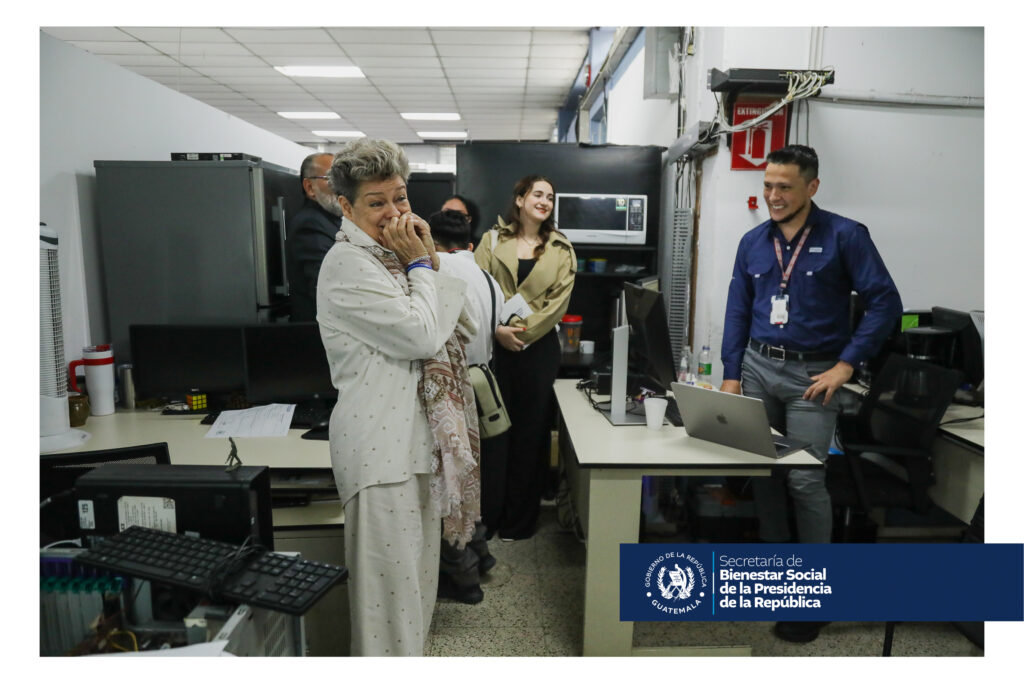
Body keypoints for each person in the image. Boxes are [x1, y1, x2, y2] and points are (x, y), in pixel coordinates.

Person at [720, 144, 902, 643]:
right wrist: (732, 374)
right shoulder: (753, 242)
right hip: (757, 369)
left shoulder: (845, 236)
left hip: (813, 379)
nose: (774, 196)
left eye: (785, 187)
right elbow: (739, 307)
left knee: (803, 481)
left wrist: (847, 365)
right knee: (762, 473)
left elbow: (885, 302)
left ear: (812, 188)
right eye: (767, 186)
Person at [316, 138, 481, 656]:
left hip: (419, 448)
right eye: (377, 202)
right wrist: (421, 268)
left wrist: (426, 259)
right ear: (345, 206)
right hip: (380, 455)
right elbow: (420, 335)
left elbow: (467, 326)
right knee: (388, 621)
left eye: (401, 198)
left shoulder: (398, 257)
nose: (394, 213)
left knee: (415, 604)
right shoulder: (348, 264)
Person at [474, 174, 577, 540]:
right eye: (537, 193)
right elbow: (476, 290)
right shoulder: (490, 241)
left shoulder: (561, 249)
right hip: (494, 347)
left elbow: (557, 305)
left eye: (550, 196)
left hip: (537, 350)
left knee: (531, 436)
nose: (545, 200)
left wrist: (521, 334)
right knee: (494, 433)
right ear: (519, 199)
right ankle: (489, 518)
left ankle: (520, 522)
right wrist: (497, 331)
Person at [429, 208, 504, 604]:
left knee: (448, 485)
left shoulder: (437, 272)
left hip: (450, 388)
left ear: (433, 242)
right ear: (469, 244)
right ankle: (481, 552)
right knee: (470, 476)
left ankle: (465, 577)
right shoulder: (489, 279)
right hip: (482, 381)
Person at [286, 152, 343, 322]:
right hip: (318, 332)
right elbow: (325, 287)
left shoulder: (331, 220)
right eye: (331, 178)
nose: (340, 187)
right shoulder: (310, 224)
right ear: (310, 187)